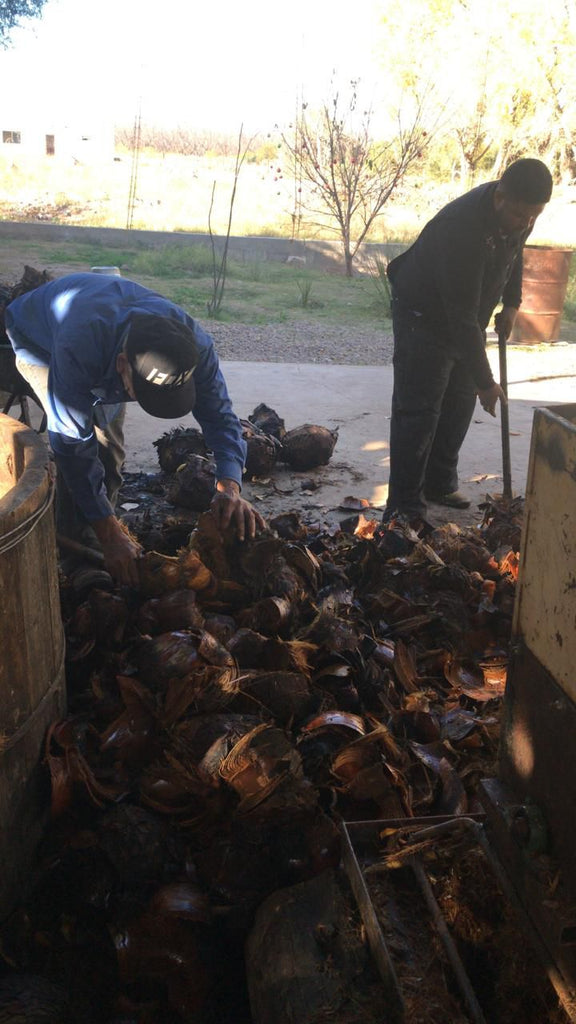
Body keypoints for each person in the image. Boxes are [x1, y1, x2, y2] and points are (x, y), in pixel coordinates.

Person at [5, 272, 265, 587]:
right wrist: (107, 532)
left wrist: (230, 486)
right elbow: (71, 445)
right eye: (142, 393)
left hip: (105, 336)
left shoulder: (192, 347)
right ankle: (80, 558)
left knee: (108, 452)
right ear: (122, 366)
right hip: (40, 342)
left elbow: (220, 415)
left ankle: (105, 526)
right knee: (85, 448)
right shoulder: (79, 346)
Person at [383, 157, 553, 528]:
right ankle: (404, 508)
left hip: (465, 316)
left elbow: (514, 252)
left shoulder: (517, 216)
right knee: (420, 409)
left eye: (534, 216)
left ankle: (439, 482)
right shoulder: (462, 228)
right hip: (423, 315)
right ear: (500, 197)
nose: (526, 224)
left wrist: (512, 303)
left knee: (459, 401)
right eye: (522, 215)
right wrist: (486, 381)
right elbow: (458, 318)